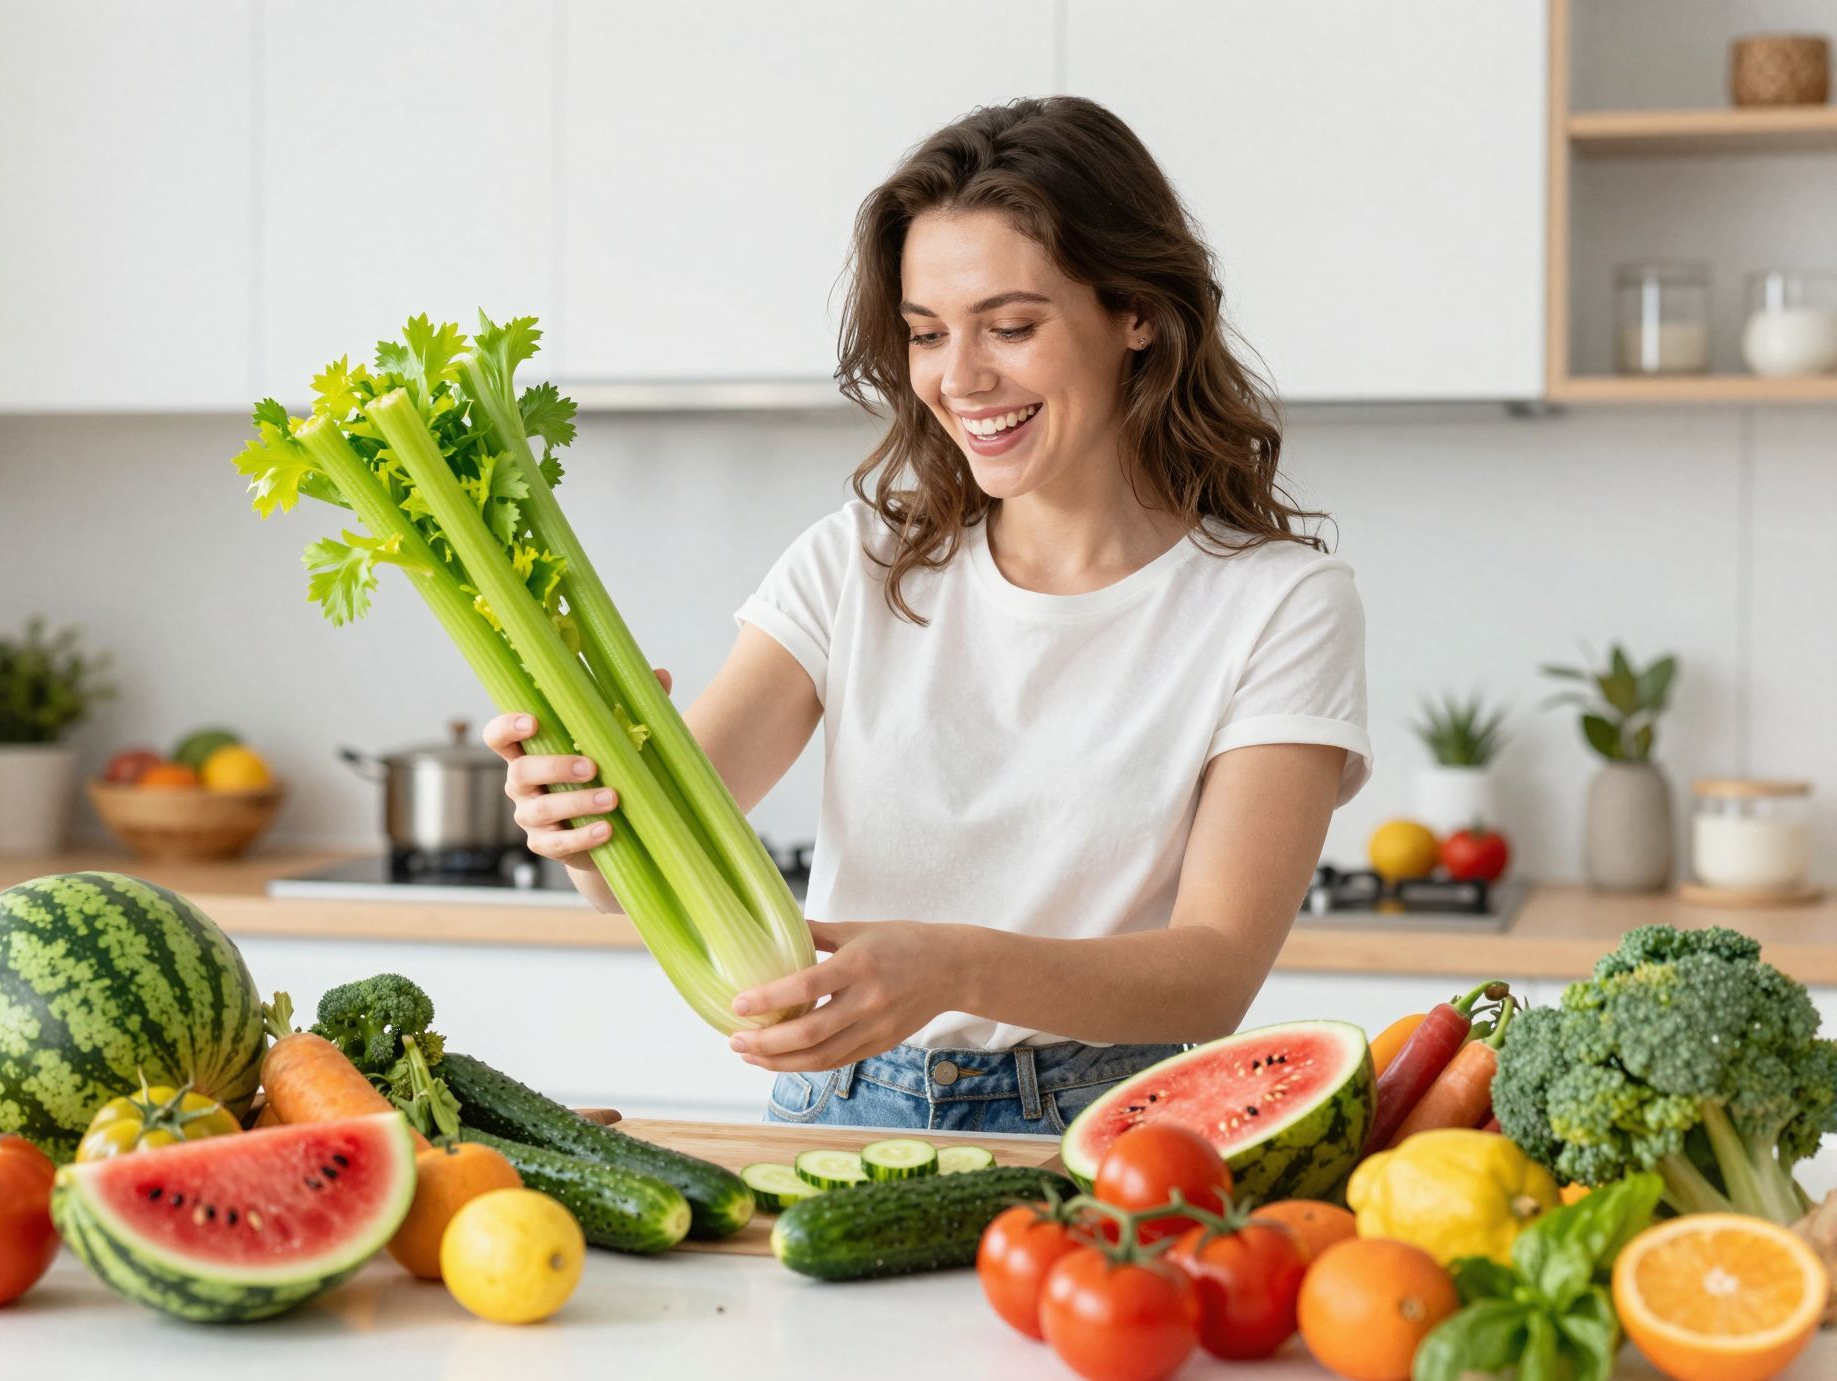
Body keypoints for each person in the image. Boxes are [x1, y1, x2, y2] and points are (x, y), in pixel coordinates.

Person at [484, 96, 1370, 1135]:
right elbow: (645, 864)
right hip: (834, 1107)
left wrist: (948, 965)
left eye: (1011, 326)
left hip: (1107, 1124)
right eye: (925, 334)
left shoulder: (1277, 603)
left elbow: (1210, 977)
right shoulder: (849, 564)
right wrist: (580, 823)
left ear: (1134, 312)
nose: (960, 378)